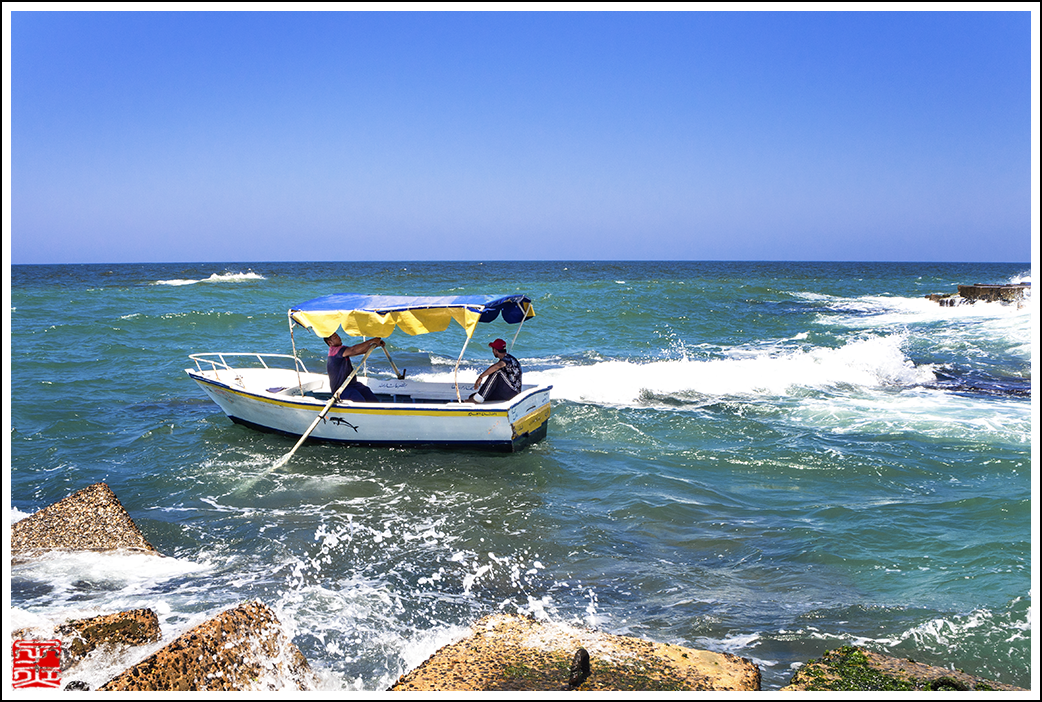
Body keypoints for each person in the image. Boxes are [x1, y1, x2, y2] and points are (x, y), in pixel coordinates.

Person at [324, 332, 385, 402]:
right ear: (330, 343)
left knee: (367, 391)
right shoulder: (335, 350)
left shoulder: (342, 350)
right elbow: (353, 350)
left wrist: (376, 345)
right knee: (358, 399)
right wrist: (372, 341)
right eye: (335, 337)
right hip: (341, 389)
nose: (338, 338)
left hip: (353, 385)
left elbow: (360, 351)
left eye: (337, 336)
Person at [468, 338, 522, 403]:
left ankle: (478, 399)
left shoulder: (507, 359)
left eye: (493, 349)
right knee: (473, 396)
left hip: (512, 392)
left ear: (495, 350)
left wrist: (480, 377)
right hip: (505, 390)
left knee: (497, 372)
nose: (492, 351)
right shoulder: (505, 359)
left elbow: (496, 367)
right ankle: (478, 397)